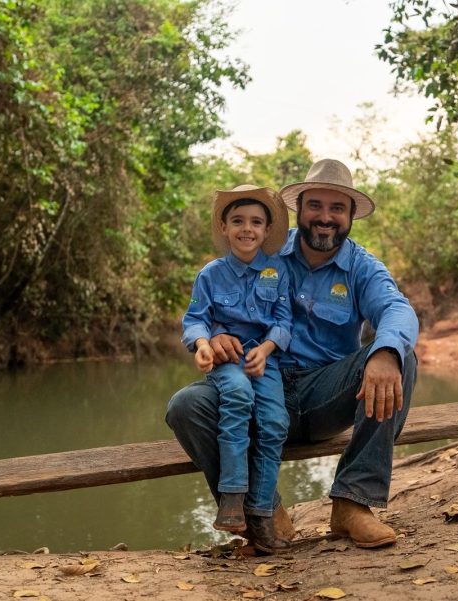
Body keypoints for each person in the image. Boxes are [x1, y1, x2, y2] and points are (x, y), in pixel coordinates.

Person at [167, 159, 418, 550]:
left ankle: (352, 503)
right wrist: (215, 337)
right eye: (315, 205)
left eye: (337, 208)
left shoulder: (361, 267)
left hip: (325, 392)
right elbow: (213, 306)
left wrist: (385, 352)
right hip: (258, 383)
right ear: (299, 209)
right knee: (186, 406)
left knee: (398, 357)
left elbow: (397, 310)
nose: (325, 218)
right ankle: (262, 510)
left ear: (351, 216)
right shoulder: (263, 252)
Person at [180, 184, 292, 553]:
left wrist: (267, 348)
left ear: (266, 230)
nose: (248, 228)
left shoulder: (277, 272)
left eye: (256, 222)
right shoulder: (210, 275)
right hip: (226, 359)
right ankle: (231, 495)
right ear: (224, 227)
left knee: (275, 422)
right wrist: (201, 346)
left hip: (263, 360)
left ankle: (260, 513)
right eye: (239, 221)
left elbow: (283, 320)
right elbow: (195, 318)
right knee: (238, 396)